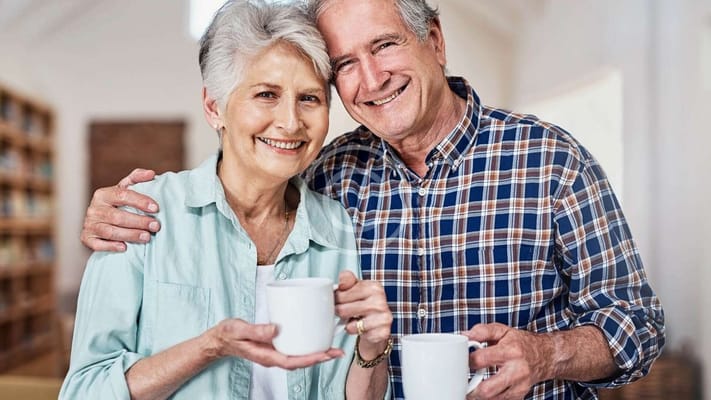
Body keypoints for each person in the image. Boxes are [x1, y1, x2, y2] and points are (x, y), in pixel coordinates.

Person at [79, 0, 666, 399]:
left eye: (384, 45)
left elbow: (638, 325)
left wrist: (544, 356)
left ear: (434, 41)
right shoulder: (329, 180)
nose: (371, 78)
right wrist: (113, 213)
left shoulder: (551, 159)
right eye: (345, 66)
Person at [61, 1, 393, 399]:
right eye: (267, 94)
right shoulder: (139, 215)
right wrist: (208, 347)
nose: (290, 122)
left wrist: (372, 350)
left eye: (309, 98)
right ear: (214, 107)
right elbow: (83, 391)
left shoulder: (339, 227)